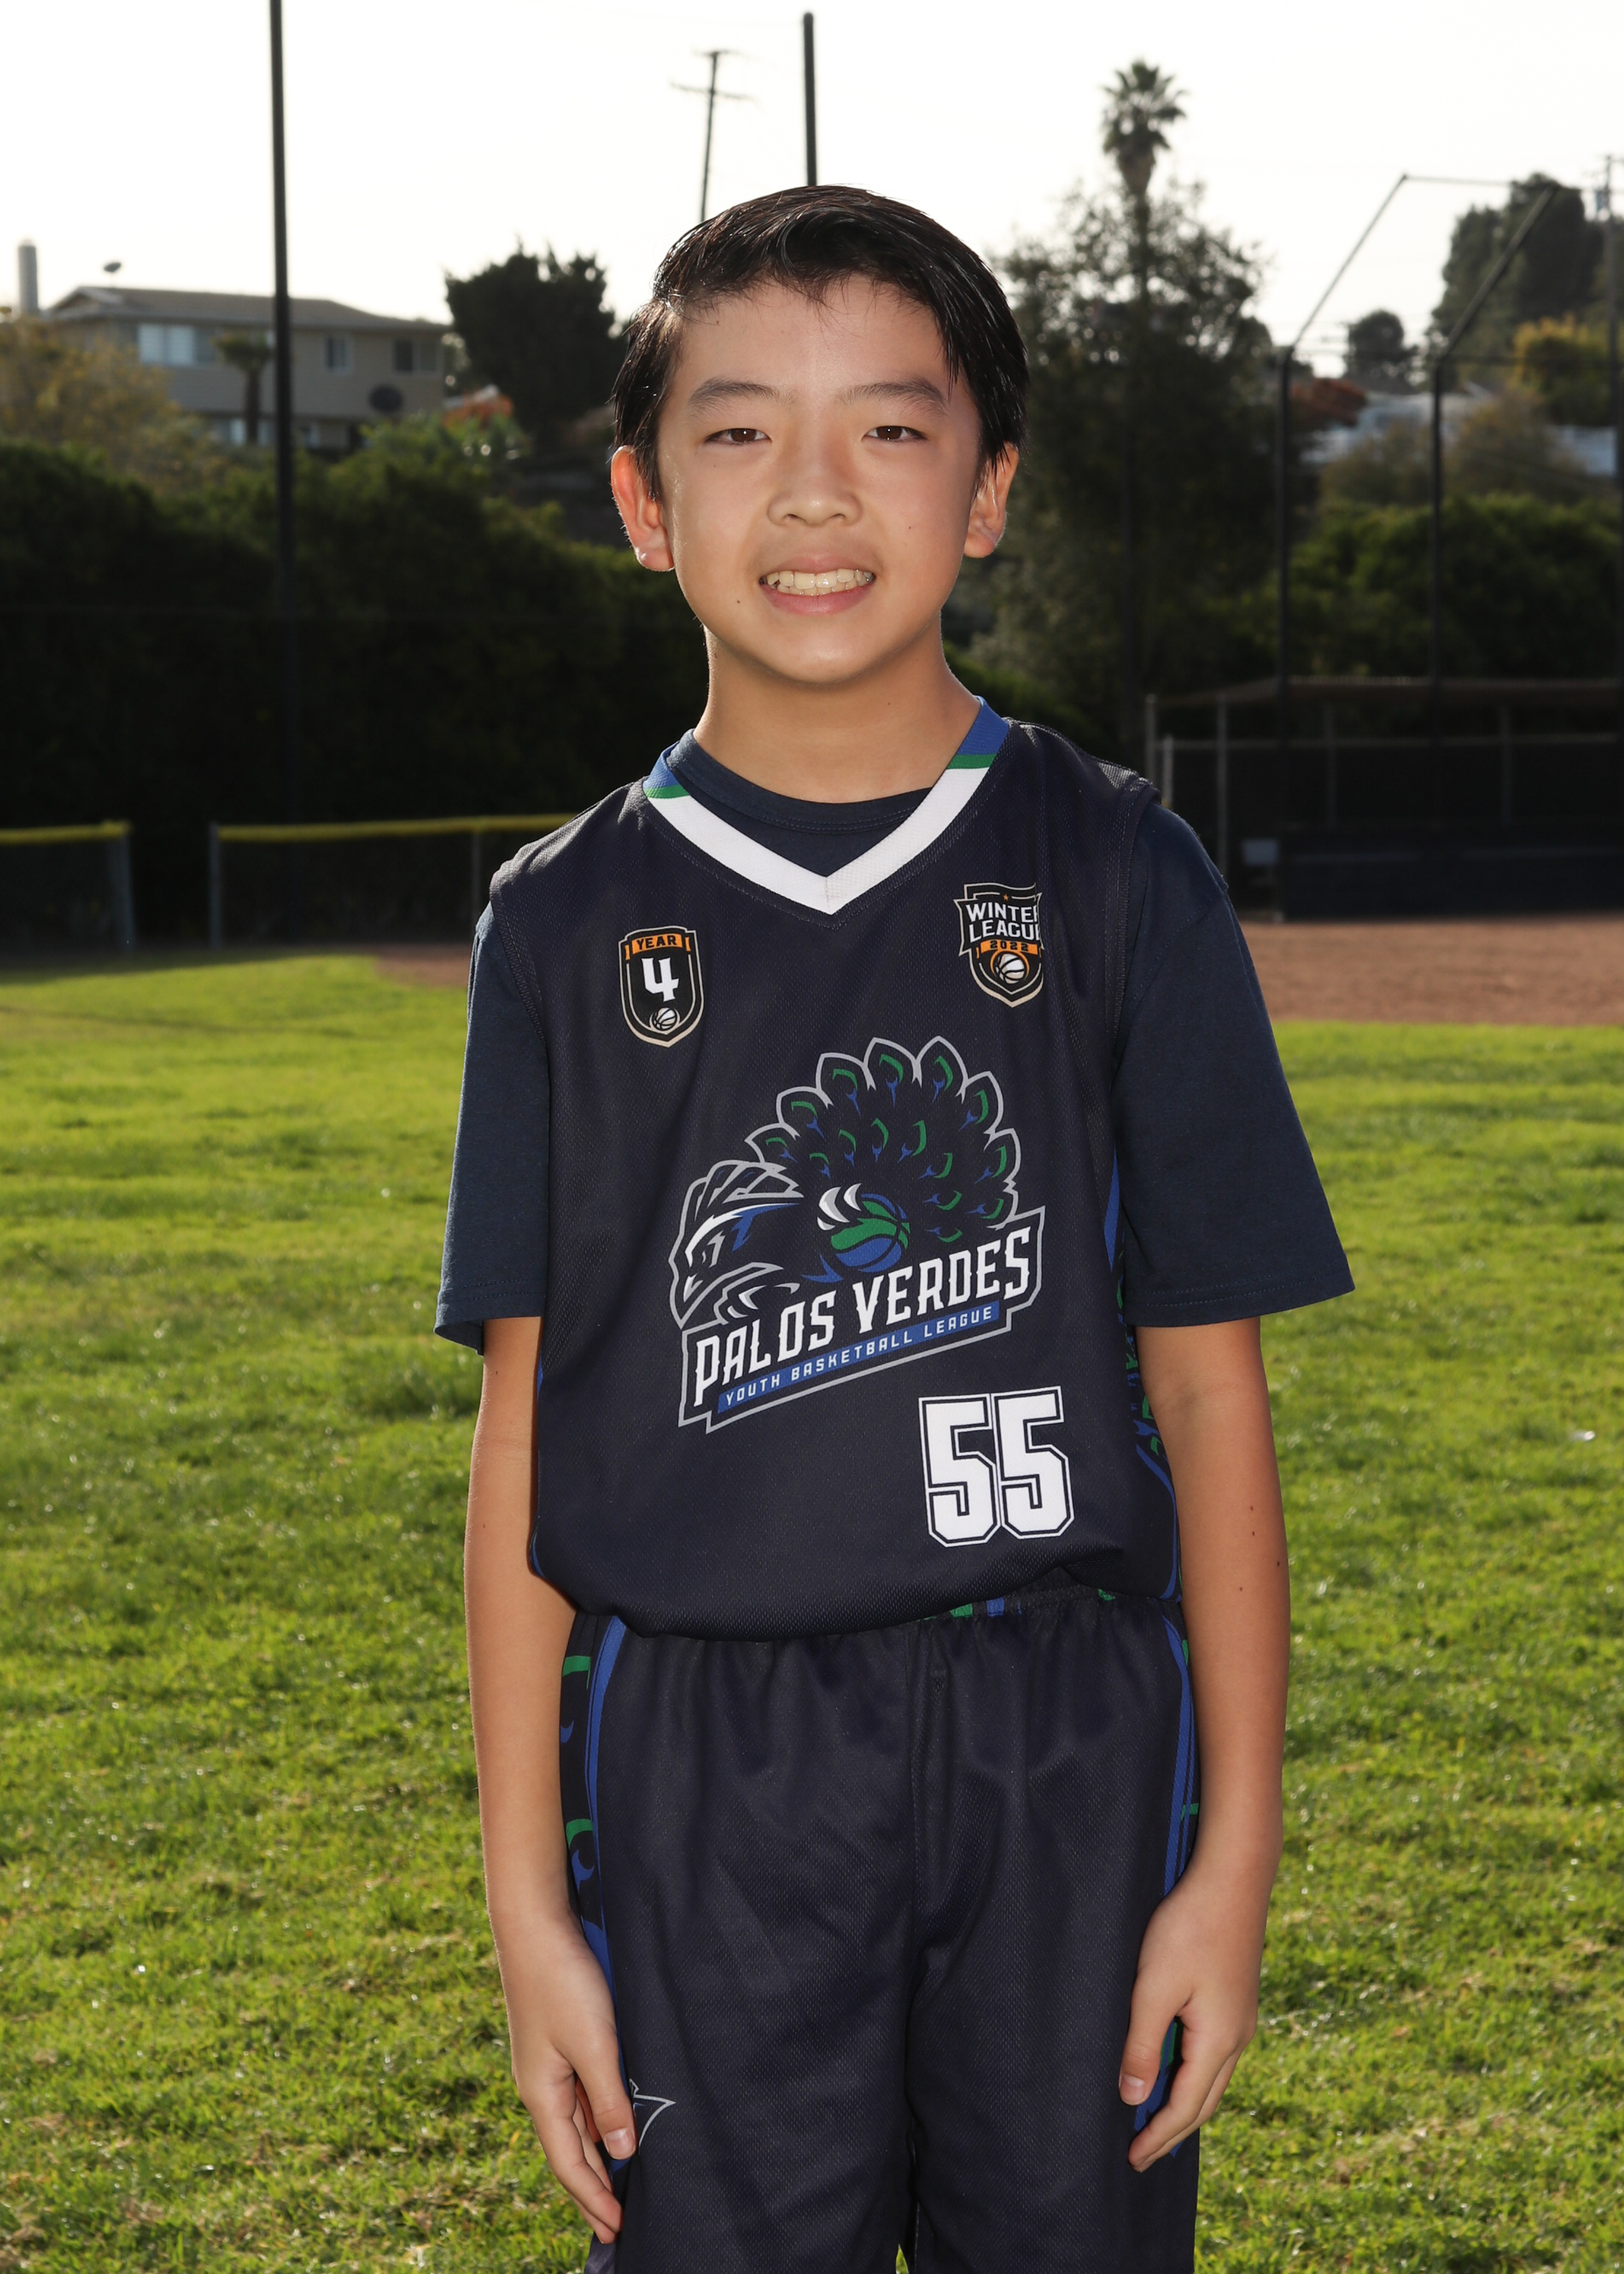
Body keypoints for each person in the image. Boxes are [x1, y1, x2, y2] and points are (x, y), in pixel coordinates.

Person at [438, 185, 1351, 2274]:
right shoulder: (564, 925)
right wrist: (525, 1905)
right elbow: (524, 1433)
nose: (814, 490)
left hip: (1064, 1742)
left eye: (891, 426)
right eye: (739, 429)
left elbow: (1212, 1397)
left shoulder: (1119, 871)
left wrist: (1230, 1856)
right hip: (709, 1763)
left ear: (990, 488)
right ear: (643, 503)